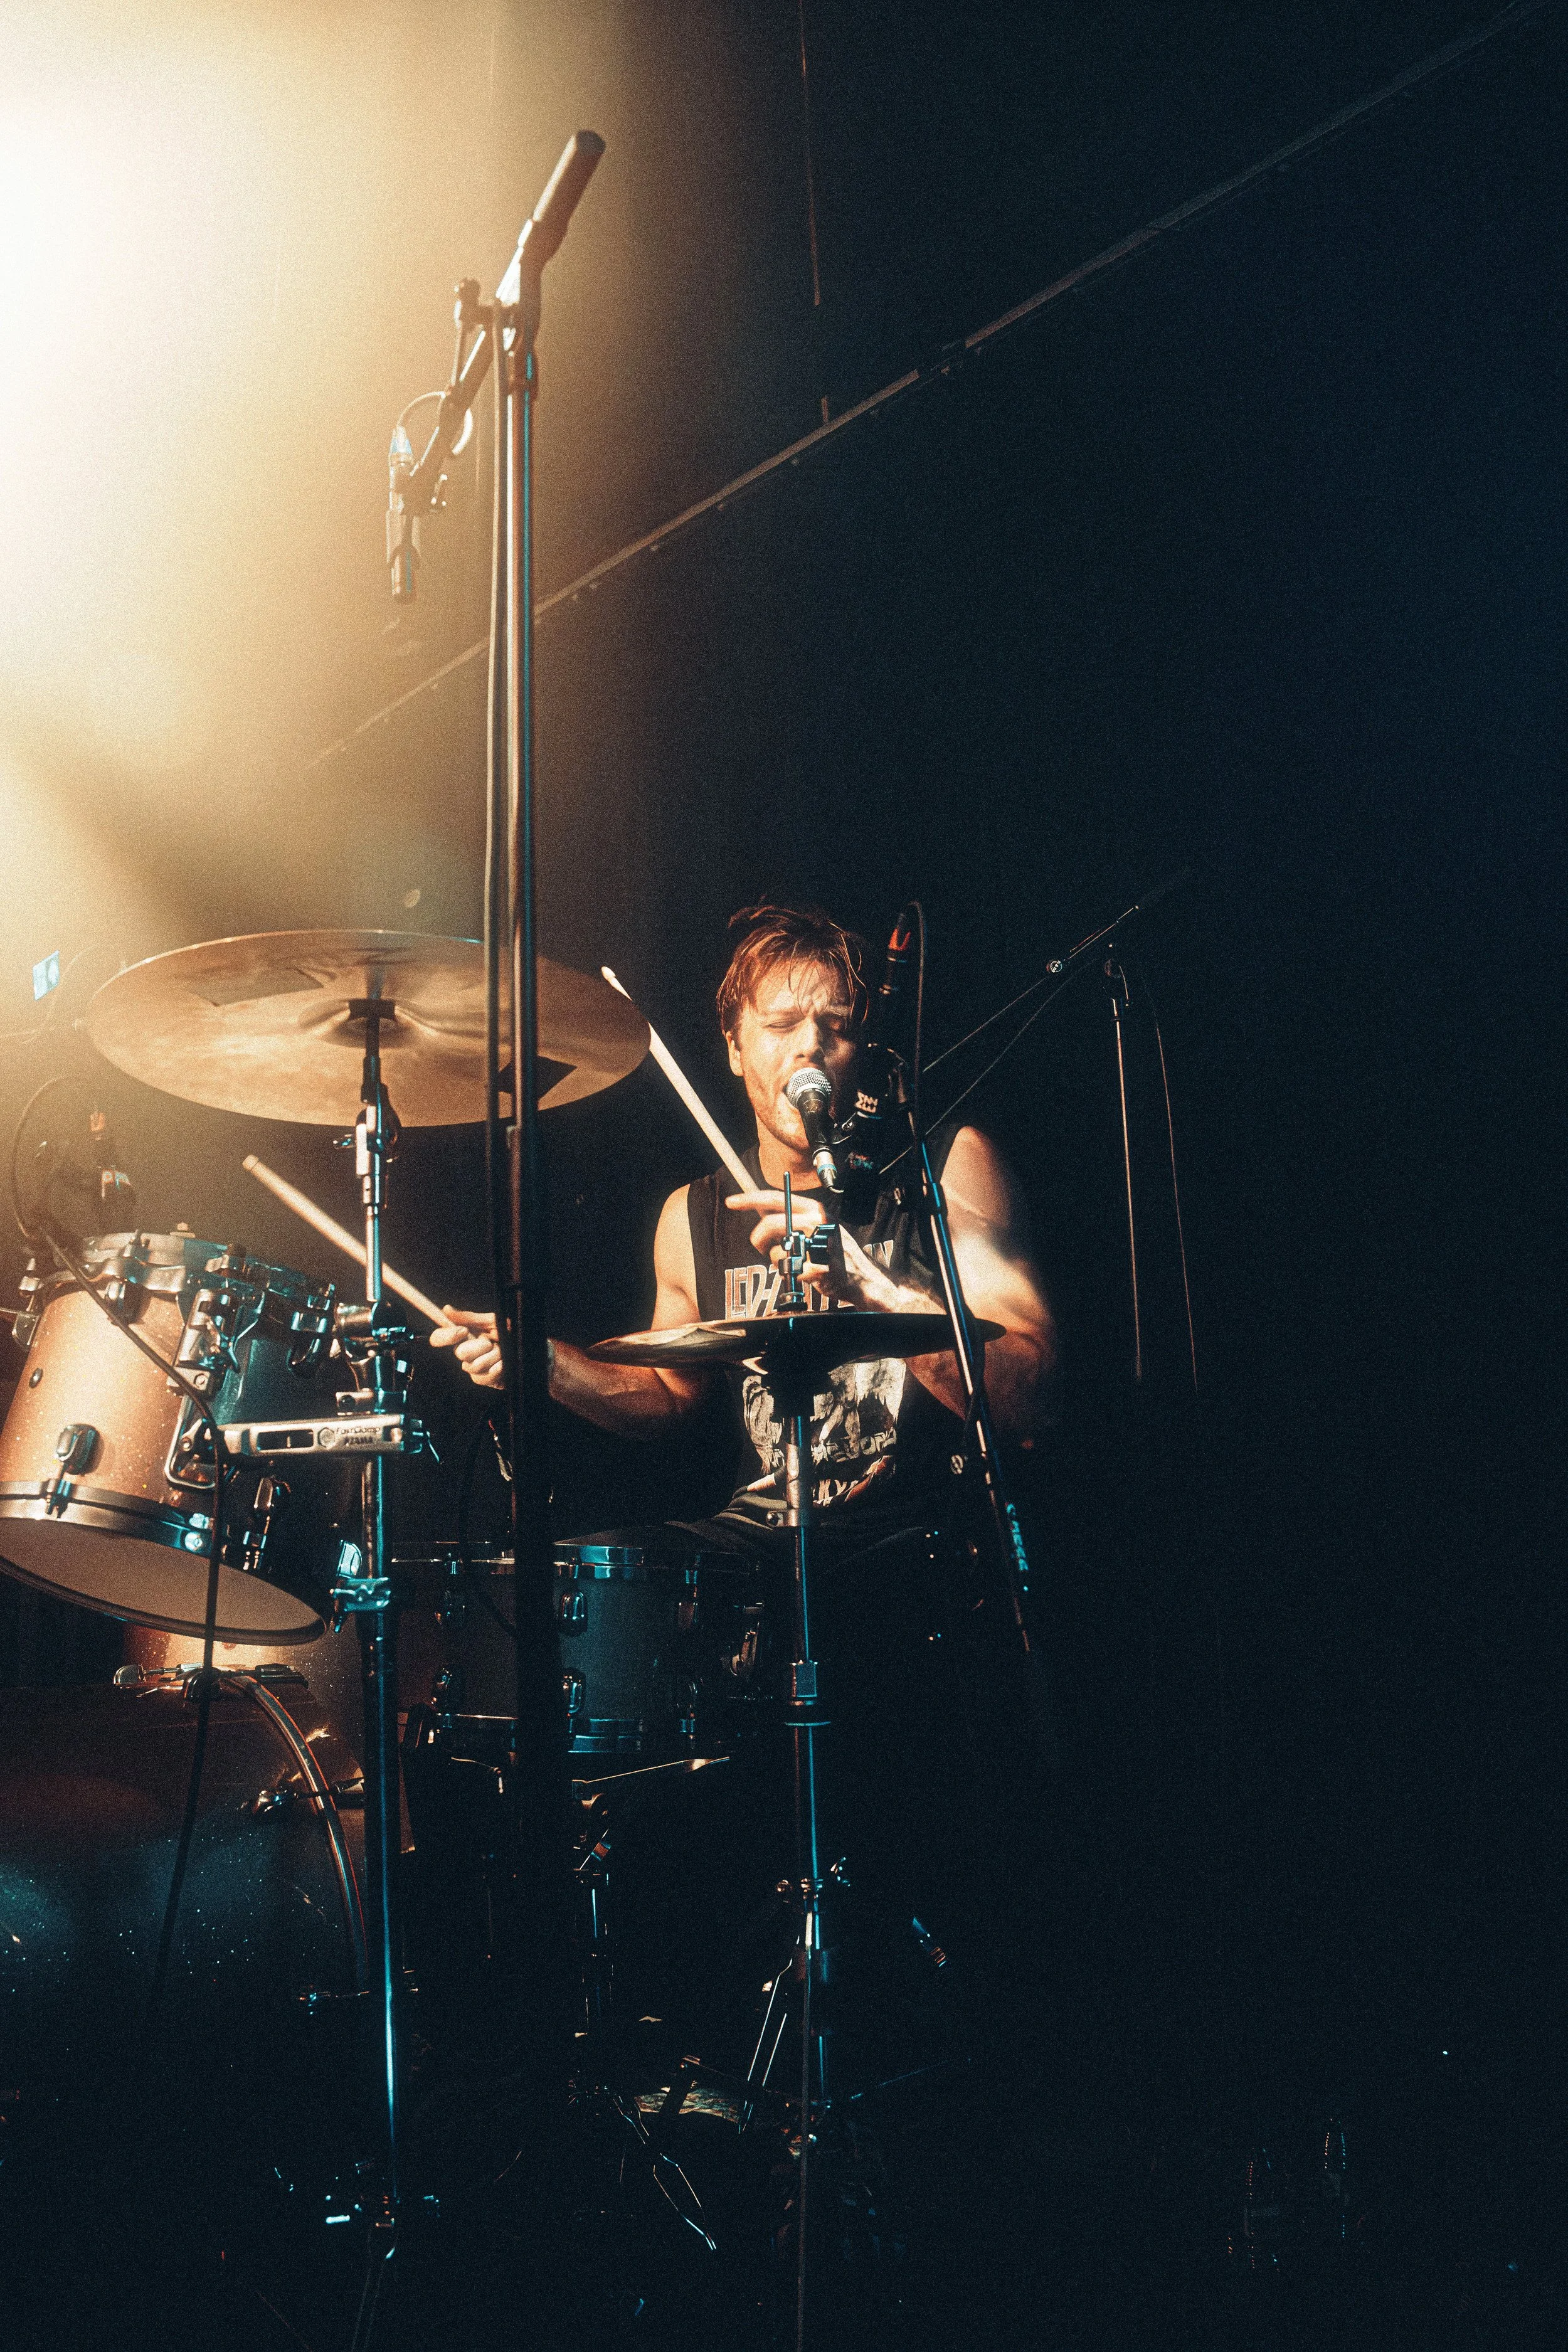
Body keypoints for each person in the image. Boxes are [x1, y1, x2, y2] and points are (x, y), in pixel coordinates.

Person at [430, 901, 1054, 1530]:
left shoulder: (946, 1168)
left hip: (916, 1539)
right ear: (734, 1047)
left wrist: (876, 1291)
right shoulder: (692, 1216)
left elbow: (1029, 1400)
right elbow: (669, 1396)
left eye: (835, 1027)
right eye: (781, 1024)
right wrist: (543, 1363)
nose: (810, 1046)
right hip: (765, 1544)